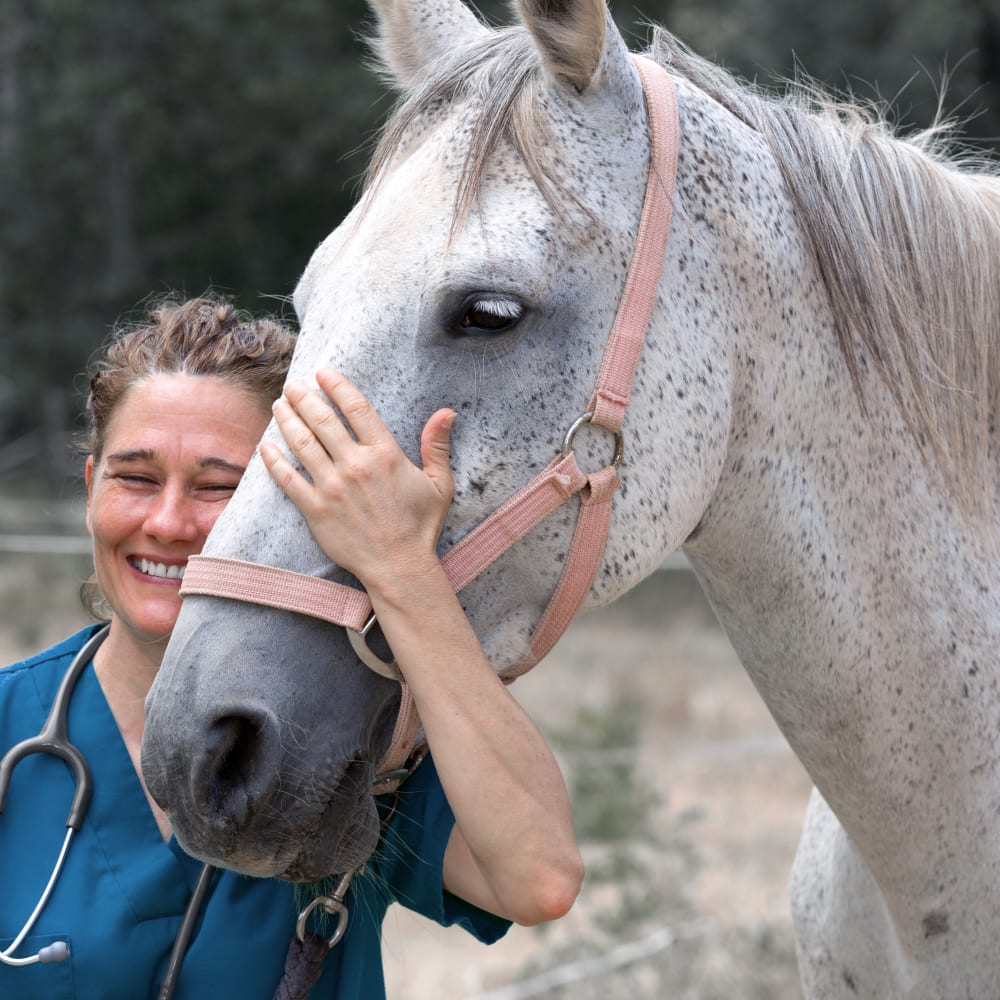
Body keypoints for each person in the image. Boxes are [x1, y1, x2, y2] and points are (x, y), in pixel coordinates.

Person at [0, 295, 582, 1000]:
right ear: (92, 489)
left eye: (221, 486)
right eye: (136, 478)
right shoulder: (10, 727)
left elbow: (539, 880)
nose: (169, 521)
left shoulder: (358, 733)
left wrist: (404, 573)